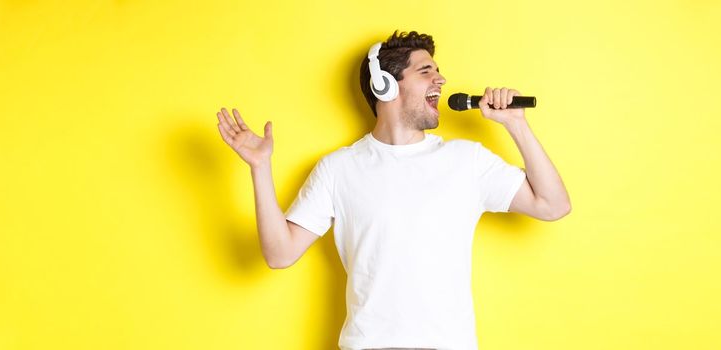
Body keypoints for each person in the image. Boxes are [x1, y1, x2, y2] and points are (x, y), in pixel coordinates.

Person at [215, 30, 571, 350]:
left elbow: (553, 205)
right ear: (384, 83)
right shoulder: (339, 168)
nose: (441, 79)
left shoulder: (467, 161)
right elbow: (280, 254)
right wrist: (260, 168)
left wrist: (516, 125)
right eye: (426, 71)